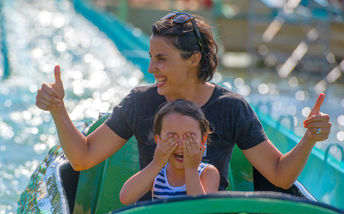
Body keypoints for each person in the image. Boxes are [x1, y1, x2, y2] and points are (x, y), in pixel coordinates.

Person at [36, 11, 331, 199]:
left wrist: (309, 139)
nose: (151, 68)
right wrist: (58, 110)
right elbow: (83, 157)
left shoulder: (231, 107)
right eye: (151, 57)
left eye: (161, 59)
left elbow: (280, 174)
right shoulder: (140, 101)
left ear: (193, 59)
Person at [119, 99, 220, 205]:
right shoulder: (156, 173)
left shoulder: (207, 173)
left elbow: (202, 210)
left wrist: (191, 169)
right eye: (172, 137)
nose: (180, 145)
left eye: (189, 137)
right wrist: (156, 163)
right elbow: (126, 198)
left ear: (202, 140)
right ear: (159, 140)